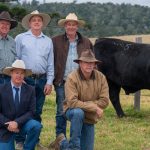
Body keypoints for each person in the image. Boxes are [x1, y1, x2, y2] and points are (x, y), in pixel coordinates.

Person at [49, 13, 93, 149]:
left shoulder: (86, 42)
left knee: (79, 110)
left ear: (77, 26)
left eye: (74, 24)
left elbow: (92, 62)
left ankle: (76, 138)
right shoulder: (55, 41)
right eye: (68, 24)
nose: (71, 26)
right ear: (65, 26)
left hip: (81, 83)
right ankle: (60, 138)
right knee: (61, 111)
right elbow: (51, 60)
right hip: (62, 81)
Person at [55, 49, 109, 150]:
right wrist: (95, 107)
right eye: (86, 62)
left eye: (91, 62)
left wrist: (89, 106)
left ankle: (61, 142)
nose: (89, 65)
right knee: (78, 112)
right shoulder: (71, 78)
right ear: (80, 63)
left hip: (89, 115)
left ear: (94, 64)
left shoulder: (101, 77)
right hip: (72, 111)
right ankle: (74, 147)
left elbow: (105, 101)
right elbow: (72, 102)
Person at [15, 10, 54, 149]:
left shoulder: (48, 41)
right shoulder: (20, 38)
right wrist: (19, 77)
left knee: (37, 111)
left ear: (42, 23)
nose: (37, 22)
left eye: (39, 20)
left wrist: (49, 82)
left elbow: (50, 63)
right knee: (21, 110)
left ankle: (35, 139)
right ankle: (19, 141)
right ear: (30, 23)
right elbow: (17, 59)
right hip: (26, 80)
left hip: (42, 80)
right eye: (34, 20)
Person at [0, 59, 42, 150]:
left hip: (23, 124)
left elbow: (31, 111)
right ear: (11, 73)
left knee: (36, 126)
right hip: (5, 127)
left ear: (24, 75)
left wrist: (17, 123)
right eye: (16, 72)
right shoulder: (1, 89)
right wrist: (9, 125)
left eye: (22, 73)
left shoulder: (30, 90)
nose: (19, 76)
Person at [0, 11, 18, 84]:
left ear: (10, 27)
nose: (5, 26)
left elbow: (16, 58)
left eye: (7, 24)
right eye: (2, 23)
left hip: (10, 79)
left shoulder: (12, 41)